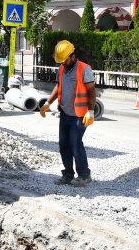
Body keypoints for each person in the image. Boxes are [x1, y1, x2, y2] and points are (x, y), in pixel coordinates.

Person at [39, 40, 96, 187]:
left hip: (80, 114)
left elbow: (91, 91)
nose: (63, 63)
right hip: (65, 113)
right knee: (64, 144)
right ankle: (68, 174)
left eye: (65, 59)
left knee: (75, 144)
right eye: (61, 61)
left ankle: (84, 175)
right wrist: (47, 103)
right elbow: (58, 87)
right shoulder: (62, 69)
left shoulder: (84, 68)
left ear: (72, 56)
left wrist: (90, 111)